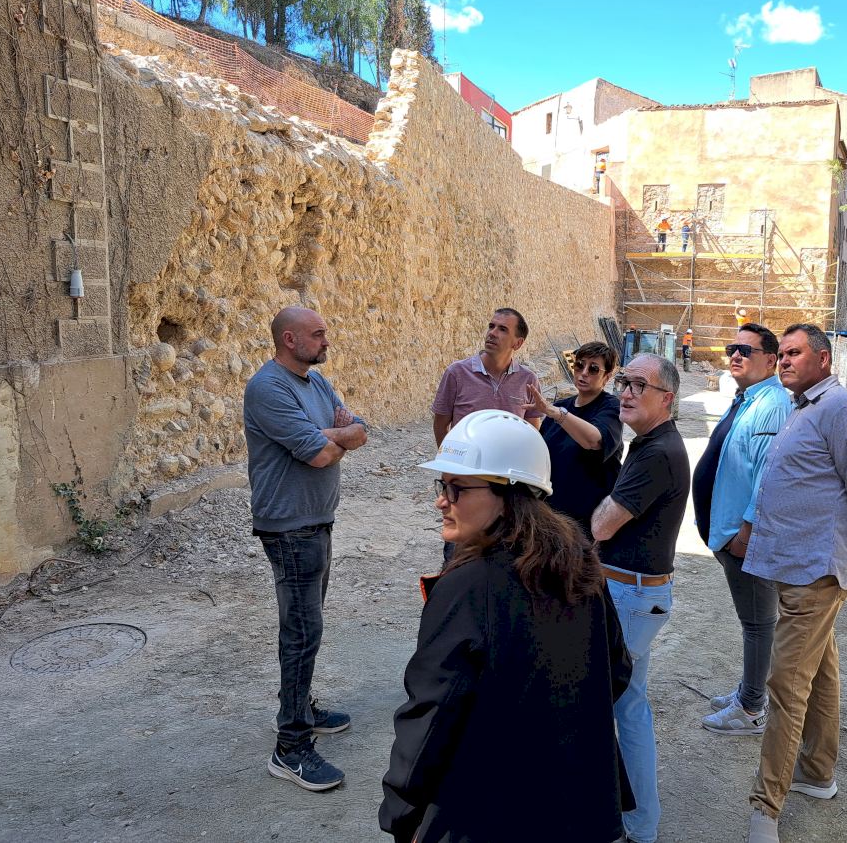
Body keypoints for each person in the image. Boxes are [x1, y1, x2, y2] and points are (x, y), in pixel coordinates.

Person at [380, 410, 633, 843]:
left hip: (486, 814)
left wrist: (401, 812)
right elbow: (616, 670)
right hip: (579, 805)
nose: (442, 501)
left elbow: (432, 714)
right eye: (442, 485)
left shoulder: (468, 586)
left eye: (457, 488)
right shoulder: (579, 563)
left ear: (509, 494)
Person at [744, 323, 847, 843]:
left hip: (816, 573)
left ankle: (765, 808)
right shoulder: (805, 407)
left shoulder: (841, 409)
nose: (784, 361)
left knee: (785, 686)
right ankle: (818, 773)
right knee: (820, 672)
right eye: (781, 353)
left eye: (794, 353)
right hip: (798, 568)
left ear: (823, 359)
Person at [243, 306, 368, 792]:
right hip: (290, 528)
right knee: (301, 632)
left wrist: (334, 435)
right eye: (318, 334)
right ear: (290, 340)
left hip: (317, 521)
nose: (326, 341)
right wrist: (333, 438)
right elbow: (320, 454)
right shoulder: (268, 388)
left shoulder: (316, 383)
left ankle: (302, 707)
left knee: (307, 626)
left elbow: (359, 430)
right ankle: (290, 746)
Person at [591, 354, 690, 843]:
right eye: (624, 382)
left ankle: (624, 822)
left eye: (638, 385)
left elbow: (602, 524)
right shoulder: (652, 443)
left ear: (666, 399)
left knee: (599, 705)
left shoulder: (656, 453)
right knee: (630, 709)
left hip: (628, 596)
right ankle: (640, 824)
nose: (625, 392)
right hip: (634, 594)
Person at [692, 323, 792, 736]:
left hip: (743, 538)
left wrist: (746, 533)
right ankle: (750, 691)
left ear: (770, 360)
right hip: (729, 533)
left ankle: (751, 707)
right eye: (733, 347)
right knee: (753, 620)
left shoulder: (772, 405)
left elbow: (769, 478)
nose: (735, 354)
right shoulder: (748, 398)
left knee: (758, 622)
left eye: (746, 350)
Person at [527, 341, 624, 541]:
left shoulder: (611, 407)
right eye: (579, 365)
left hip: (588, 526)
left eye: (593, 369)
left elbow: (594, 441)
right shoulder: (560, 407)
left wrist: (556, 413)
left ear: (607, 376)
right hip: (552, 519)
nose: (584, 373)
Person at [432, 307, 544, 447]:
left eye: (502, 329)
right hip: (466, 460)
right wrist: (448, 457)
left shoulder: (528, 380)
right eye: (491, 326)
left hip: (507, 460)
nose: (492, 333)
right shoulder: (456, 373)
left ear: (518, 343)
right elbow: (440, 425)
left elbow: (531, 434)